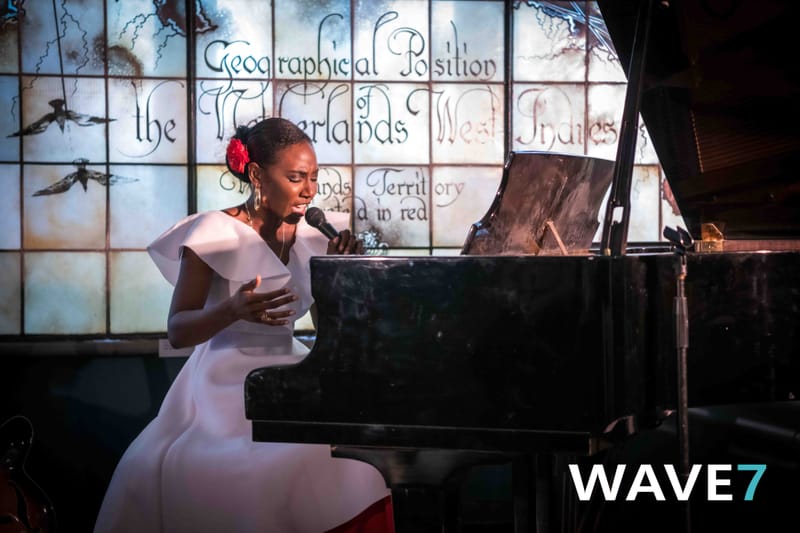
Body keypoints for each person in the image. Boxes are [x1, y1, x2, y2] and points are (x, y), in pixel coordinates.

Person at [94, 117, 392, 533]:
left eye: (314, 178)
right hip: (224, 384)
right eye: (295, 177)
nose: (309, 190)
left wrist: (345, 275)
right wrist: (232, 310)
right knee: (260, 469)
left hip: (291, 373)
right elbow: (178, 331)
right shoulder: (212, 234)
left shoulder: (315, 235)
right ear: (256, 174)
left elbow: (330, 335)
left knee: (358, 457)